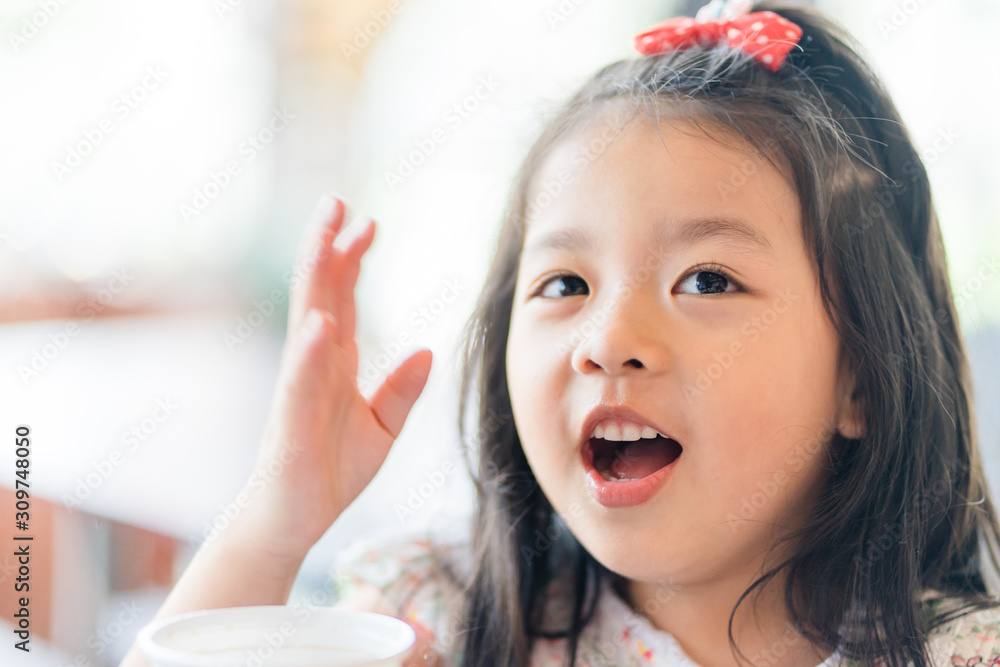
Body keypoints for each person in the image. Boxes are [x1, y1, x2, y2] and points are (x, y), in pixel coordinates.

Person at [121, 1, 1000, 666]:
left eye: (707, 279)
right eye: (566, 283)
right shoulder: (448, 618)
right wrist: (278, 515)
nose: (609, 336)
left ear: (865, 378)